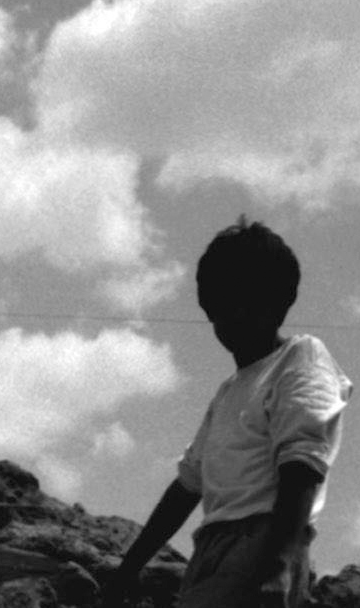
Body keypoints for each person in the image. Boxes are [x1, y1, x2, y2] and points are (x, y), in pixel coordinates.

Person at [103, 218, 350, 608]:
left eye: (249, 305)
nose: (234, 317)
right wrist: (128, 567)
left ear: (278, 304)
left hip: (264, 540)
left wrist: (280, 563)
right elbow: (186, 487)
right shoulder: (227, 393)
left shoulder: (300, 358)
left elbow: (302, 464)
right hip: (211, 547)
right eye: (223, 306)